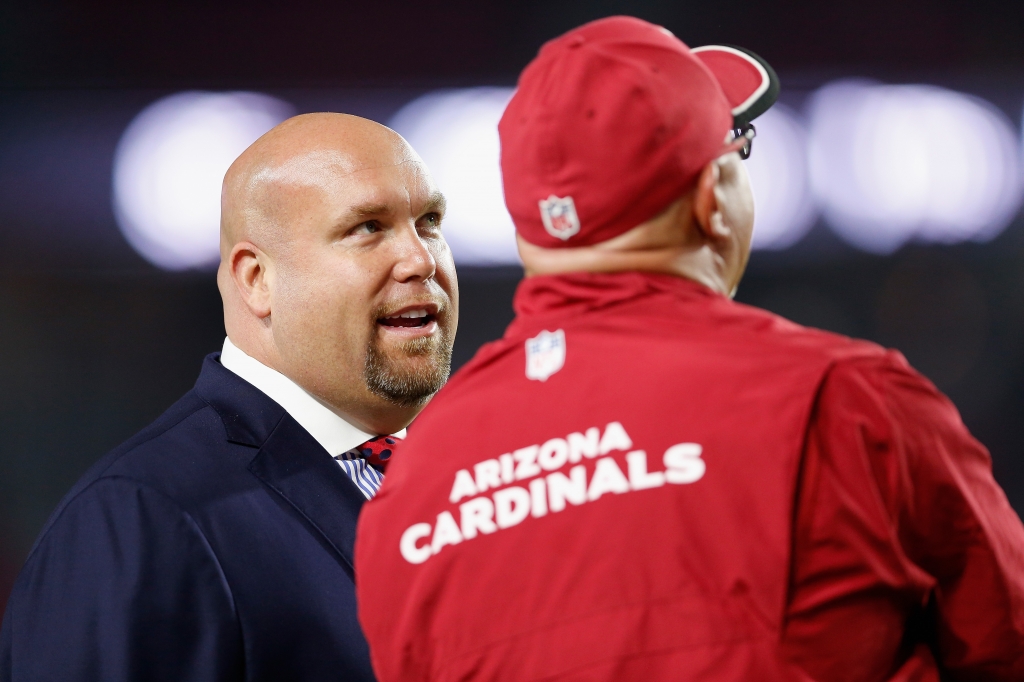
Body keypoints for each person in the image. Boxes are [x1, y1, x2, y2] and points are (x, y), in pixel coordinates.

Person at [354, 16, 1024, 682]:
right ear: (712, 197)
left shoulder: (408, 483)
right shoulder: (847, 403)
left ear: (532, 231)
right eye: (742, 151)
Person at [0, 112, 458, 681]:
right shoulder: (141, 516)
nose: (422, 260)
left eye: (430, 221)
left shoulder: (473, 484)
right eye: (367, 228)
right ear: (256, 278)